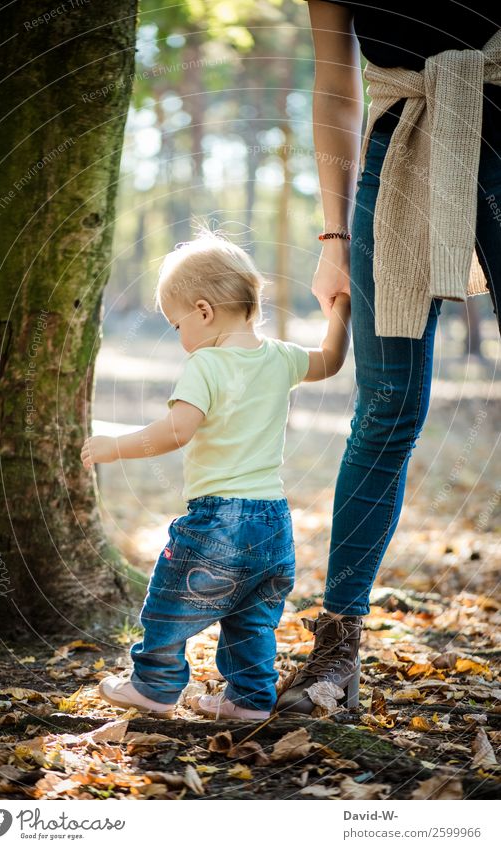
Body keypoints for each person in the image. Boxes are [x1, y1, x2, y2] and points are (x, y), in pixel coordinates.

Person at [277, 1, 501, 714]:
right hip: (399, 144)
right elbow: (338, 87)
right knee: (386, 405)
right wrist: (333, 241)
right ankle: (337, 649)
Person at [81, 227, 352, 720]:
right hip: (274, 524)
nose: (181, 337)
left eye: (176, 323)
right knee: (252, 618)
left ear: (204, 311)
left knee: (168, 596)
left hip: (218, 519)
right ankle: (249, 700)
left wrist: (112, 448)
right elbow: (331, 362)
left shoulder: (204, 364)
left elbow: (177, 430)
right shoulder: (281, 356)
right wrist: (340, 309)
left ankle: (155, 686)